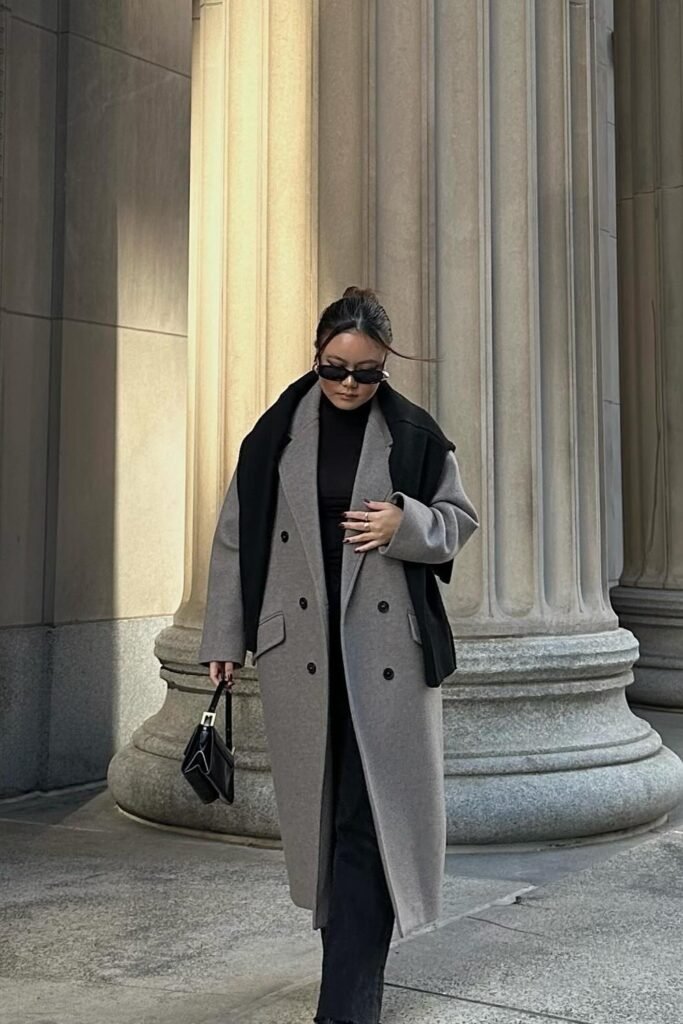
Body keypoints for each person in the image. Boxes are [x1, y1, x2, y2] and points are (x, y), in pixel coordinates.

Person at [197, 286, 479, 1024]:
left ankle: (345, 1007)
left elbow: (457, 521)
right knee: (328, 824)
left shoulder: (412, 434)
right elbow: (234, 538)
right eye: (335, 368)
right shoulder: (275, 435)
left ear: (386, 366)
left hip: (386, 659)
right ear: (316, 356)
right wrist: (224, 638)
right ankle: (348, 989)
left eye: (366, 372)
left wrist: (403, 524)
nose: (349, 384)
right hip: (301, 655)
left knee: (366, 821)